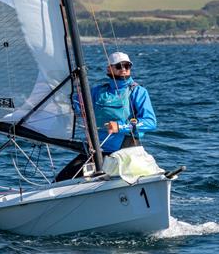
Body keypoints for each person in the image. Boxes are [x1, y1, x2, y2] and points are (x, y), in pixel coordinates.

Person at [55, 52, 157, 181]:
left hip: (125, 152)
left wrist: (120, 127)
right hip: (96, 151)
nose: (124, 69)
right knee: (61, 180)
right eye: (119, 66)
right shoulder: (98, 91)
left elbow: (150, 122)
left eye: (127, 66)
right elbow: (72, 106)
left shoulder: (138, 92)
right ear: (109, 68)